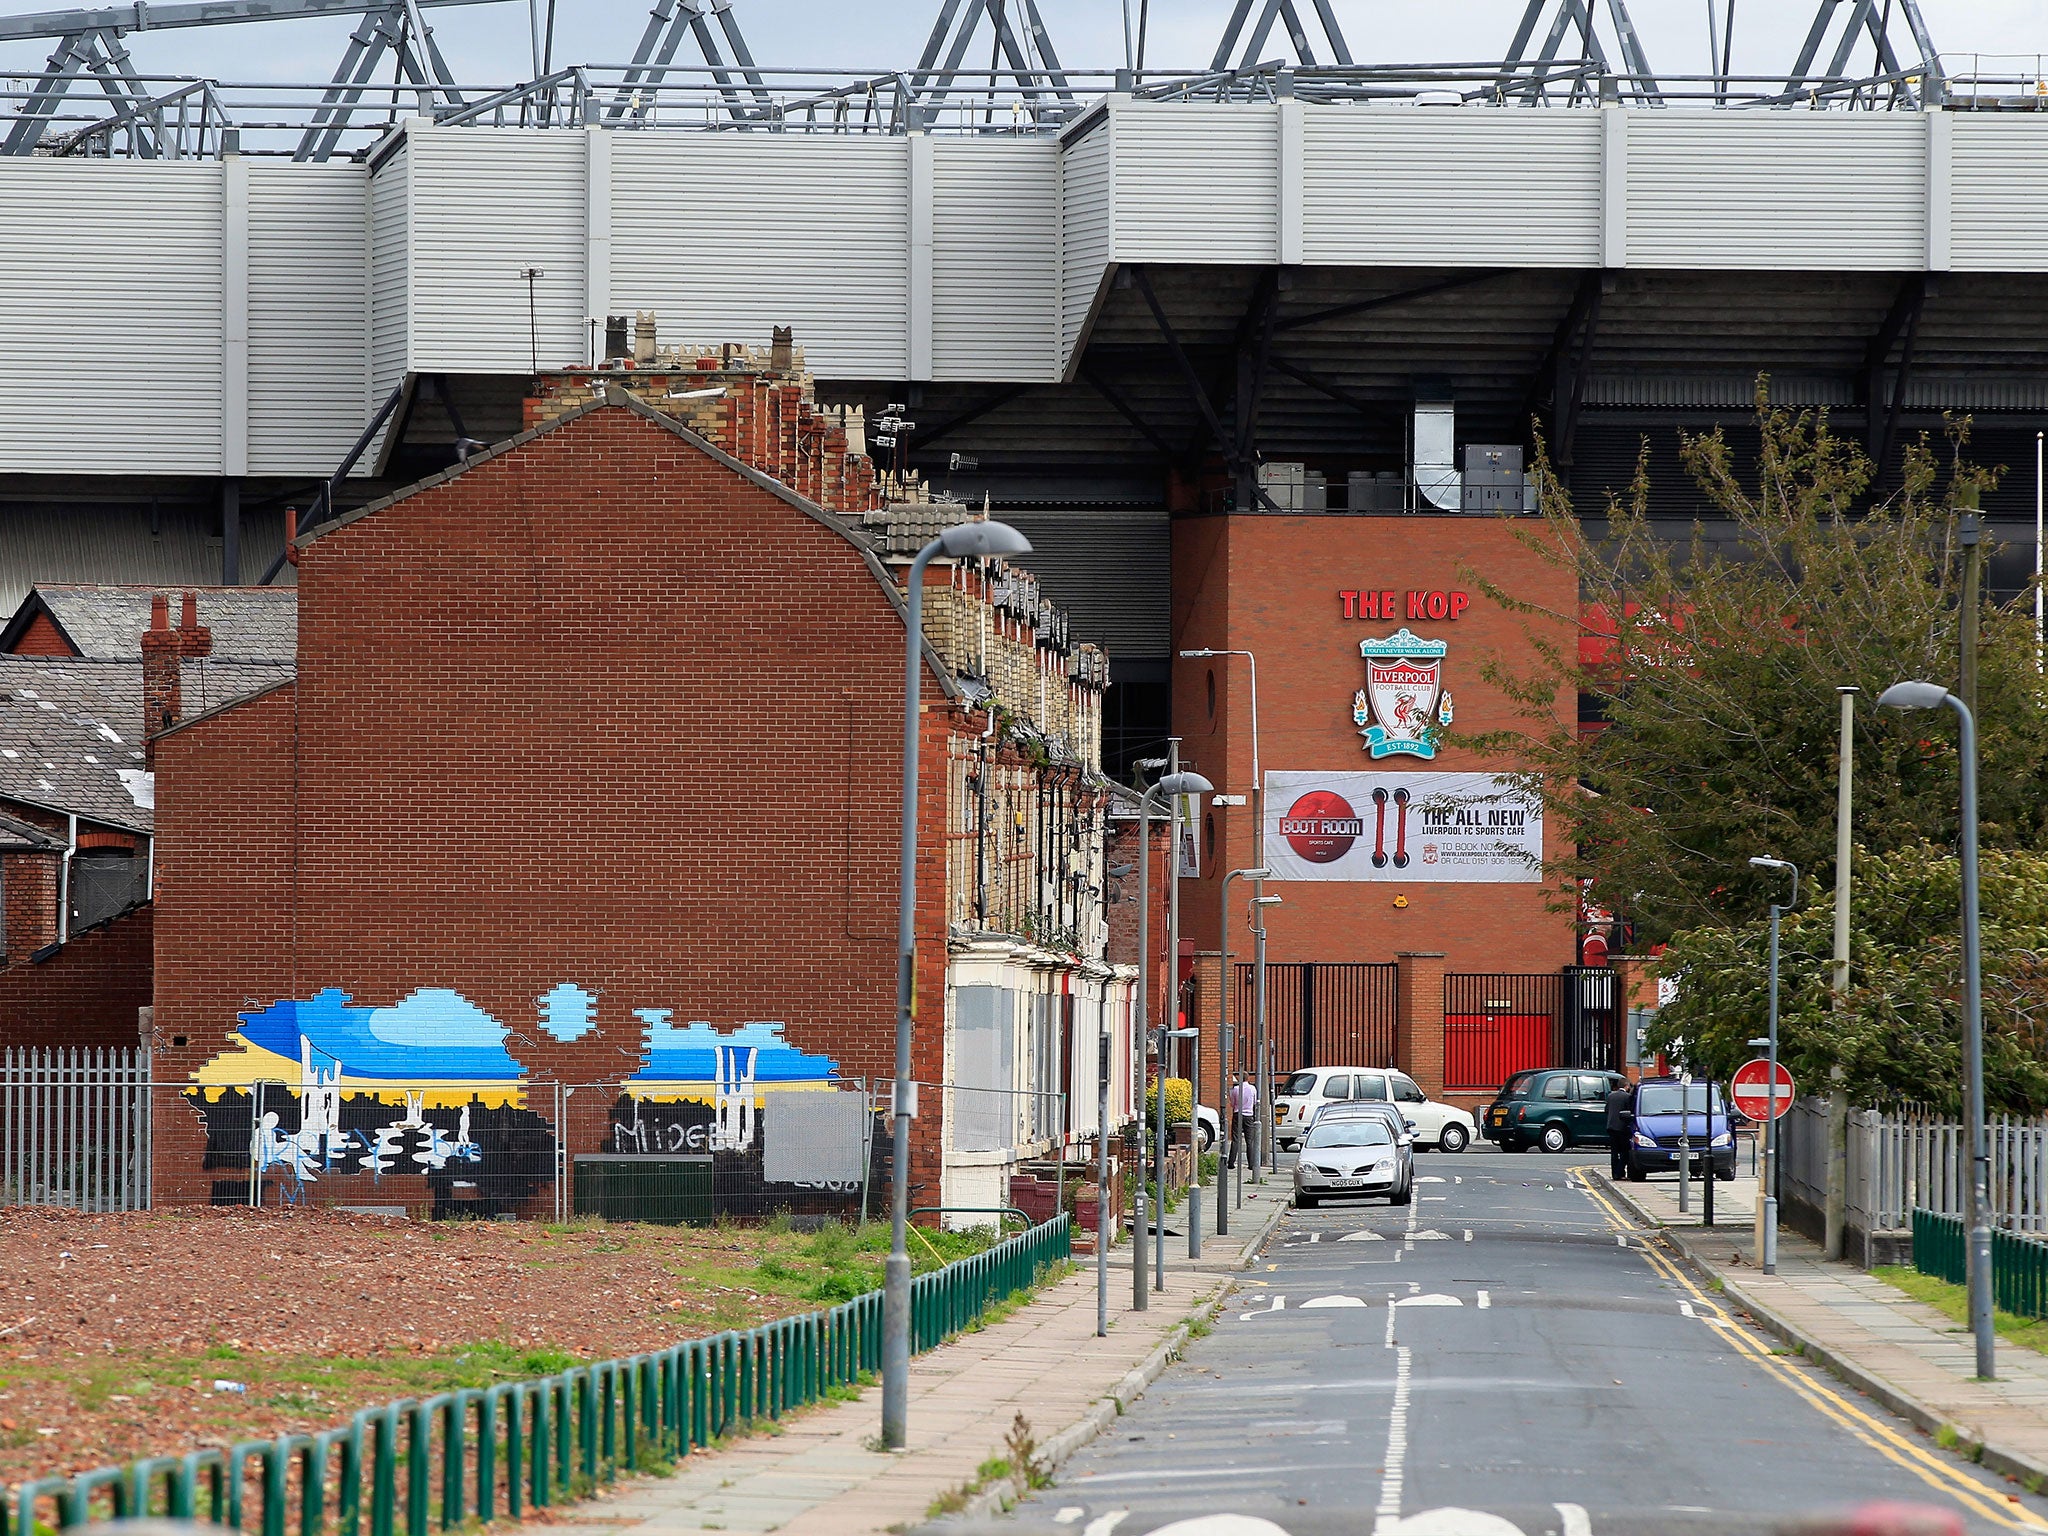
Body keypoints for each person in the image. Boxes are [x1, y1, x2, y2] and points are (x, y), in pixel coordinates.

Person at [1605, 1078, 1635, 1180]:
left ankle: (1615, 1174)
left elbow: (1606, 1110)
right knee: (1624, 1152)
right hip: (1622, 1128)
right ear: (1626, 1086)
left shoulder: (1610, 1096)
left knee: (1614, 1152)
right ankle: (1620, 1173)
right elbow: (1630, 1111)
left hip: (1611, 1127)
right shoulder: (1627, 1097)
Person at [1230, 1074, 1259, 1168]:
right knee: (1249, 1141)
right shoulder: (1253, 1089)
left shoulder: (1235, 1089)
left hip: (1237, 1114)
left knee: (1235, 1139)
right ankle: (1251, 1164)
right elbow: (1255, 1102)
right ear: (1248, 1078)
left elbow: (1232, 1103)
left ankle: (1231, 1163)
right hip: (1249, 1115)